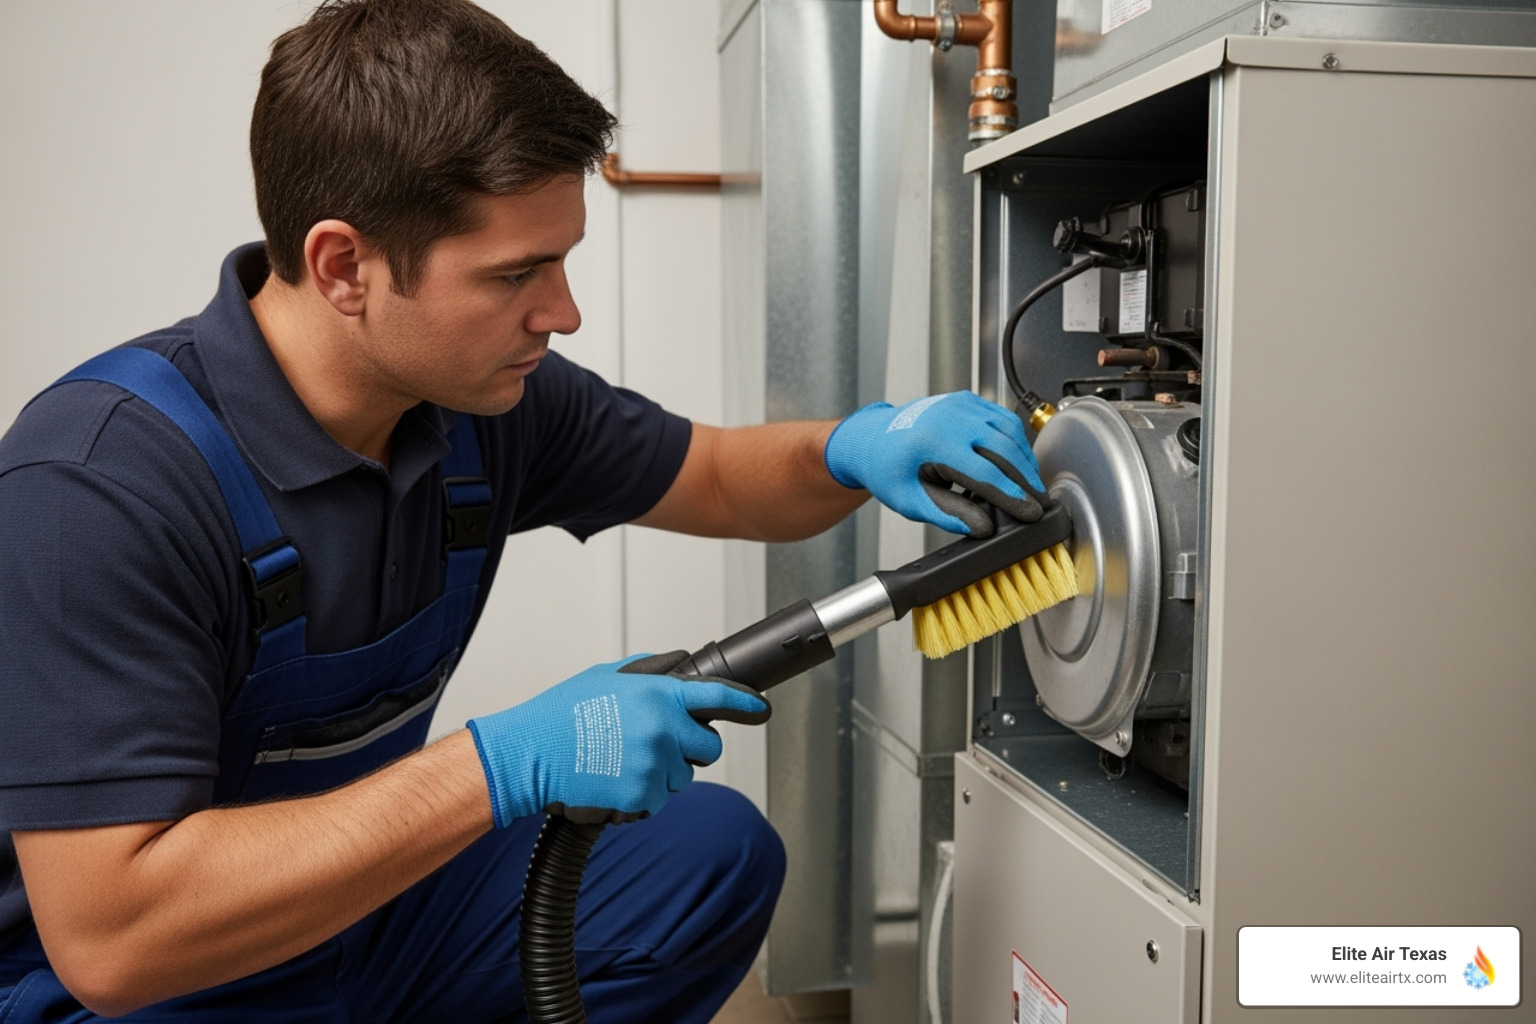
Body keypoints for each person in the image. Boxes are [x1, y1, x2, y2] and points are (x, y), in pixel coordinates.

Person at [0, 1, 1046, 1021]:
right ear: (343, 267)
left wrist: (859, 444)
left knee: (707, 857)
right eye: (516, 274)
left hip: (361, 911)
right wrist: (496, 766)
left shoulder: (478, 403)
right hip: (152, 978)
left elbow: (721, 477)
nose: (564, 312)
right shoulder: (98, 488)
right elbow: (113, 943)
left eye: (564, 260)